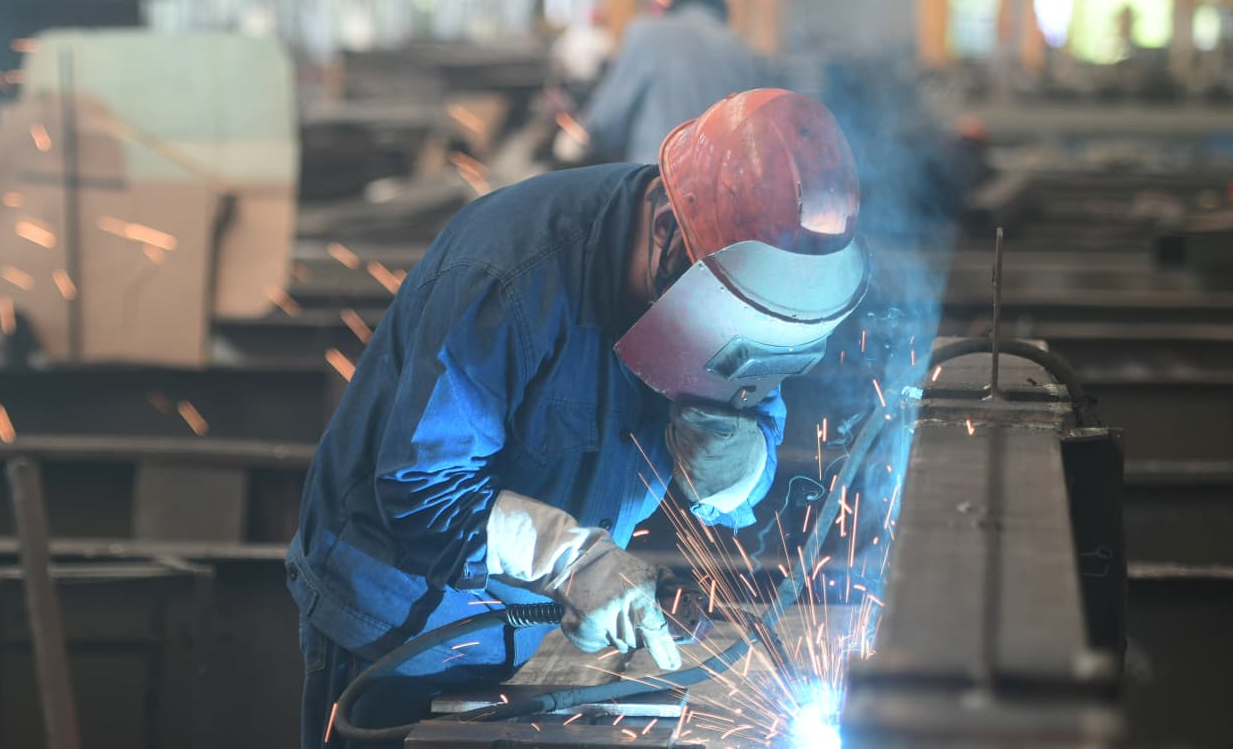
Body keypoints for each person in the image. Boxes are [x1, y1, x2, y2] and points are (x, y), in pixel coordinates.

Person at [288, 89, 870, 747]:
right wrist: (571, 562)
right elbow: (422, 491)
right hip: (401, 623)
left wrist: (738, 465)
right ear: (665, 232)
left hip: (530, 627)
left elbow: (753, 420)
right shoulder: (509, 276)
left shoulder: (750, 283)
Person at [556, 0, 766, 164]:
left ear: (673, 4)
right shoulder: (747, 53)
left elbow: (607, 122)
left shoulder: (646, 33)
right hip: (719, 190)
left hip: (655, 181)